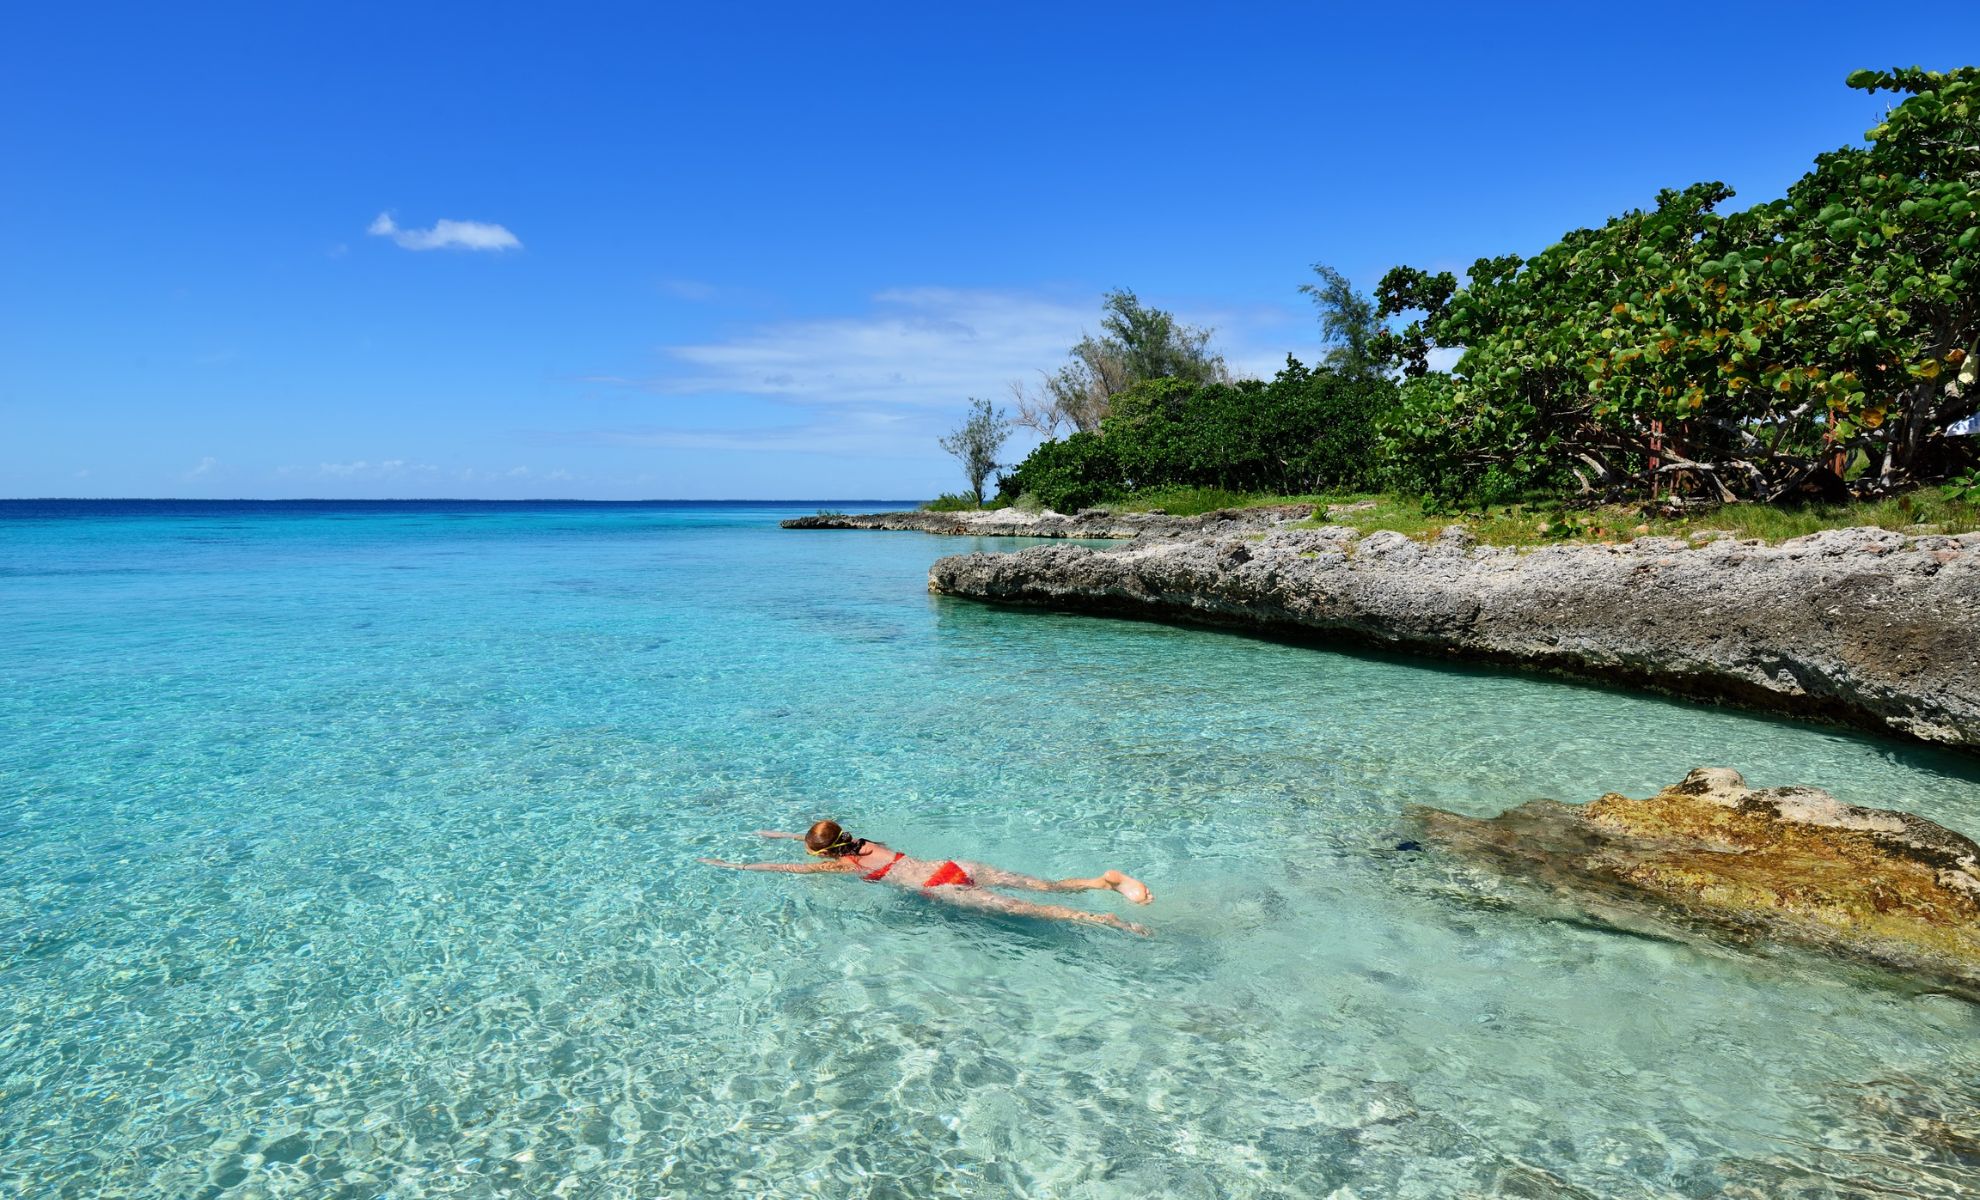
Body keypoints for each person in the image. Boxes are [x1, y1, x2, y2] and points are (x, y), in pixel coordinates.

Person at [700, 819, 1153, 935]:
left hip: (943, 888)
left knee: (1040, 912)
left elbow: (793, 867)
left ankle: (1110, 923)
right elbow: (817, 838)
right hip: (955, 866)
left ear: (828, 853)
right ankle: (1101, 881)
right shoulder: (864, 843)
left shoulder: (843, 865)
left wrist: (737, 866)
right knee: (1044, 886)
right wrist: (777, 832)